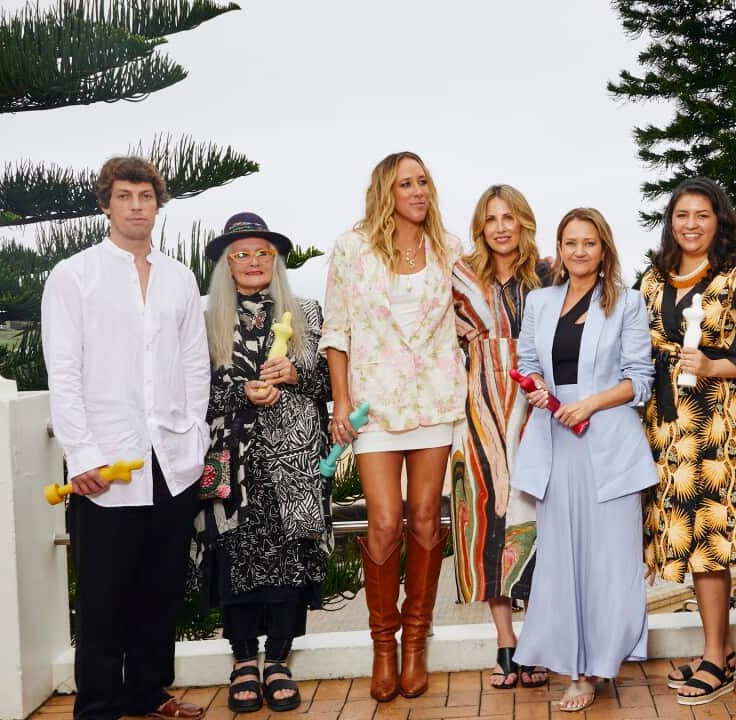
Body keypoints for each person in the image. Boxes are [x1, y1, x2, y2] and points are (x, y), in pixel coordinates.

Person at [41, 156, 209, 720]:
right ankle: (97, 707)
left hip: (172, 458)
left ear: (157, 204)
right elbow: (61, 373)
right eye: (124, 196)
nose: (136, 206)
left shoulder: (180, 277)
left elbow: (193, 368)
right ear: (105, 204)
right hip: (105, 463)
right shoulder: (74, 275)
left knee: (160, 586)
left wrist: (194, 438)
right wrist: (81, 454)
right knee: (103, 595)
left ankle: (149, 693)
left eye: (145, 196)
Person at [319, 152, 466, 701]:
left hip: (434, 401)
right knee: (383, 523)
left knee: (426, 519)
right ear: (386, 190)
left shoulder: (449, 248)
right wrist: (340, 402)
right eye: (406, 183)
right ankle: (383, 645)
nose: (418, 190)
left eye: (424, 180)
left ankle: (416, 644)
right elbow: (336, 331)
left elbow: (475, 309)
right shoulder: (351, 249)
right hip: (373, 408)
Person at [511, 208, 657, 713]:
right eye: (570, 242)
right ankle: (575, 670)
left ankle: (602, 665)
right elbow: (527, 363)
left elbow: (640, 379)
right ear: (560, 246)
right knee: (562, 559)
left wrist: (589, 404)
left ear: (604, 249)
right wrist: (536, 392)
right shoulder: (539, 301)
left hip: (608, 441)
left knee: (612, 561)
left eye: (589, 243)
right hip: (556, 442)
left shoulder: (628, 303)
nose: (578, 251)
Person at [640, 177, 736, 705]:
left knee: (712, 545)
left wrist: (712, 363)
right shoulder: (654, 280)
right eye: (682, 215)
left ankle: (718, 660)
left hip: (724, 433)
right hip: (671, 429)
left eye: (702, 214)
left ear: (719, 220)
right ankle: (711, 650)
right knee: (687, 542)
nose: (691, 224)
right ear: (670, 222)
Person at [190, 213, 332, 712]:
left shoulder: (309, 315)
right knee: (233, 555)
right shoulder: (206, 321)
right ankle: (243, 659)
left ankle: (278, 658)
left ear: (277, 261)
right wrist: (239, 391)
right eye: (241, 254)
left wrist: (295, 374)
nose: (253, 262)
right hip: (229, 460)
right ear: (226, 266)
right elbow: (189, 395)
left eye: (263, 253)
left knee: (292, 558)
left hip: (295, 460)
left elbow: (333, 385)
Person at [450, 184, 549, 690]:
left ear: (524, 222)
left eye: (510, 217)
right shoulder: (460, 277)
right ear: (481, 228)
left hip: (536, 409)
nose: (502, 227)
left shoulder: (548, 276)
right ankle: (506, 643)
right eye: (492, 219)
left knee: (536, 519)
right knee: (488, 520)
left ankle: (535, 641)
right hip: (478, 411)